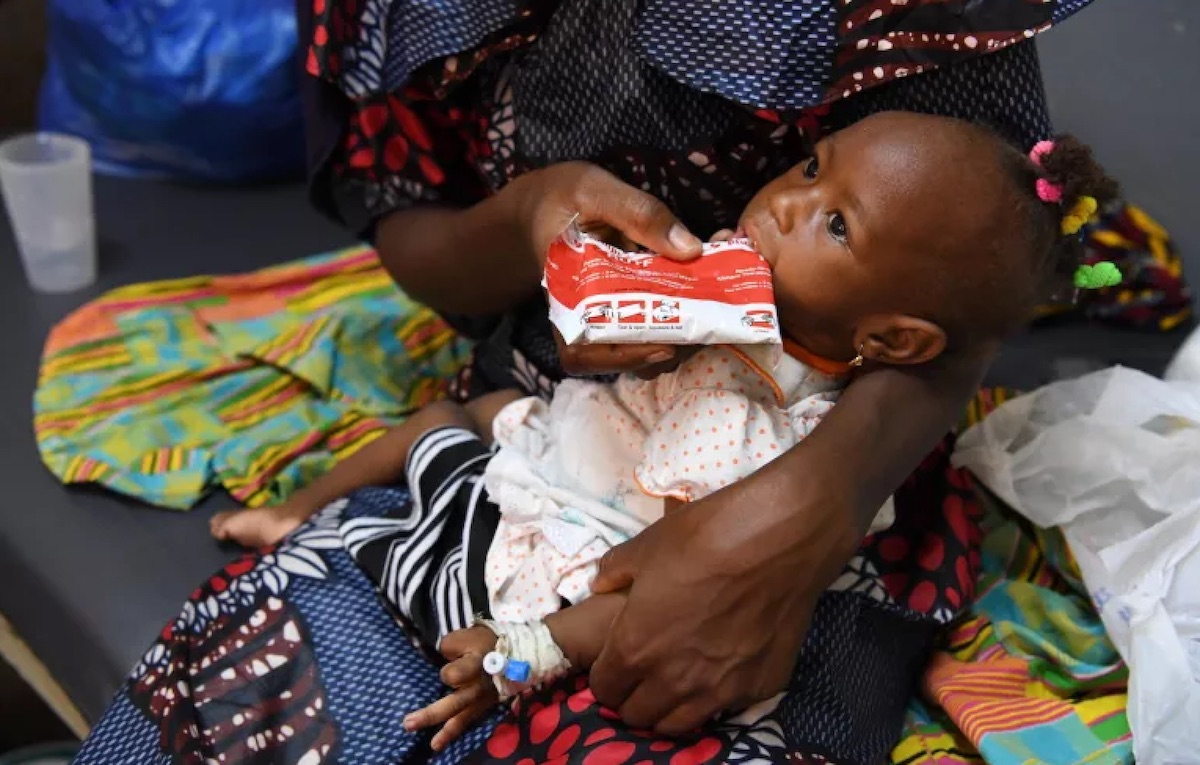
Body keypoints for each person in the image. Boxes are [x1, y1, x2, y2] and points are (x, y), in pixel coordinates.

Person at [212, 113, 1118, 753]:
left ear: (889, 339)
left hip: (604, 529)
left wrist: (532, 648)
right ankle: (296, 506)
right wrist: (608, 302)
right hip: (569, 432)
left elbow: (667, 563)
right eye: (811, 169)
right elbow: (610, 356)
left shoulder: (787, 436)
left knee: (617, 593)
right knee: (449, 418)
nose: (788, 205)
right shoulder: (724, 293)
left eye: (836, 224)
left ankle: (522, 652)